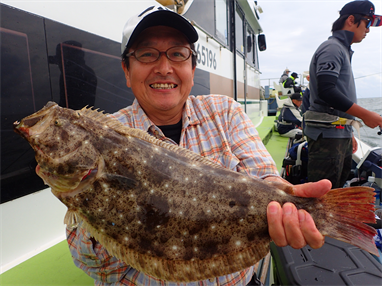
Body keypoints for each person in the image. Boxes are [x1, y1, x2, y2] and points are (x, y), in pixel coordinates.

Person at [66, 5, 330, 285]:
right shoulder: (101, 135)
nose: (164, 68)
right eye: (147, 54)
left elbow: (264, 176)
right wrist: (89, 200)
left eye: (177, 54)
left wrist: (284, 199)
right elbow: (96, 268)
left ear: (192, 68)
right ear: (127, 71)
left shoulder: (224, 111)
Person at [304, 0, 382, 188]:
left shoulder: (343, 50)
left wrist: (349, 132)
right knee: (323, 197)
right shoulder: (332, 48)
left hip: (339, 134)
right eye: (368, 22)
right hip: (328, 139)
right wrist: (366, 115)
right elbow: (327, 91)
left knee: (337, 192)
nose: (369, 30)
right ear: (351, 20)